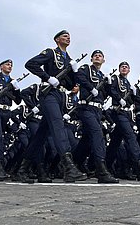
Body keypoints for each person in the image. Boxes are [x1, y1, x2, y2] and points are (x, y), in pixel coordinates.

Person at [17, 30, 86, 183]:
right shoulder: (51, 53)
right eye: (64, 36)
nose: (68, 37)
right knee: (58, 125)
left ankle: (22, 169)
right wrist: (47, 78)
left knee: (40, 136)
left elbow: (70, 86)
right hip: (48, 94)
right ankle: (69, 167)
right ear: (56, 40)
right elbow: (31, 64)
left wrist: (74, 72)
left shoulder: (69, 59)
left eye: (69, 36)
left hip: (60, 96)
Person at [72, 50, 119, 183]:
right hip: (86, 108)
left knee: (87, 139)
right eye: (95, 56)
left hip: (97, 111)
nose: (98, 57)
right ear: (92, 59)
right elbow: (79, 77)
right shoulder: (86, 69)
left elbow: (108, 93)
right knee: (97, 134)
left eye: (100, 56)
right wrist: (90, 87)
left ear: (103, 60)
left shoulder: (102, 76)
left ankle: (75, 163)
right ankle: (101, 171)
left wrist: (109, 84)